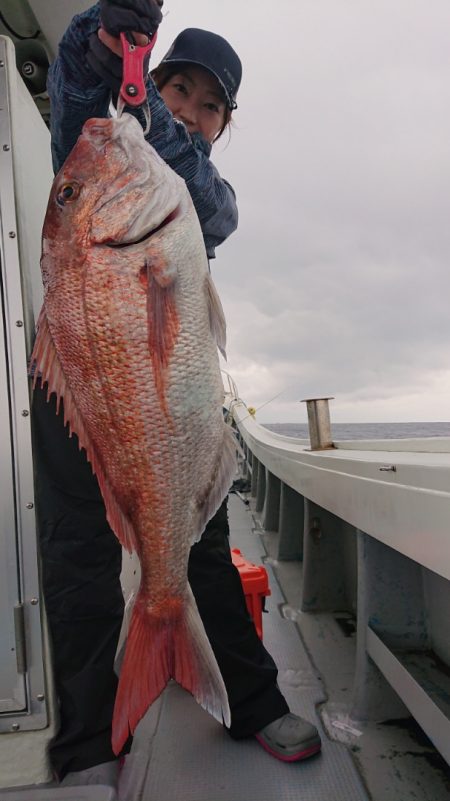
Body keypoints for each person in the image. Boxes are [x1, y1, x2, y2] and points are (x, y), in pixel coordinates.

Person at [33, 0, 321, 789]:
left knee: (205, 545)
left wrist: (149, 117)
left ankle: (249, 698)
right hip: (82, 385)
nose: (192, 111)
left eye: (212, 104)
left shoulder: (201, 191)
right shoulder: (101, 139)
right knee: (77, 555)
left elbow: (214, 209)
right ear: (150, 80)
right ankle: (87, 742)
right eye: (179, 88)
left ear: (226, 124)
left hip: (168, 401)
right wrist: (97, 42)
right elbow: (75, 85)